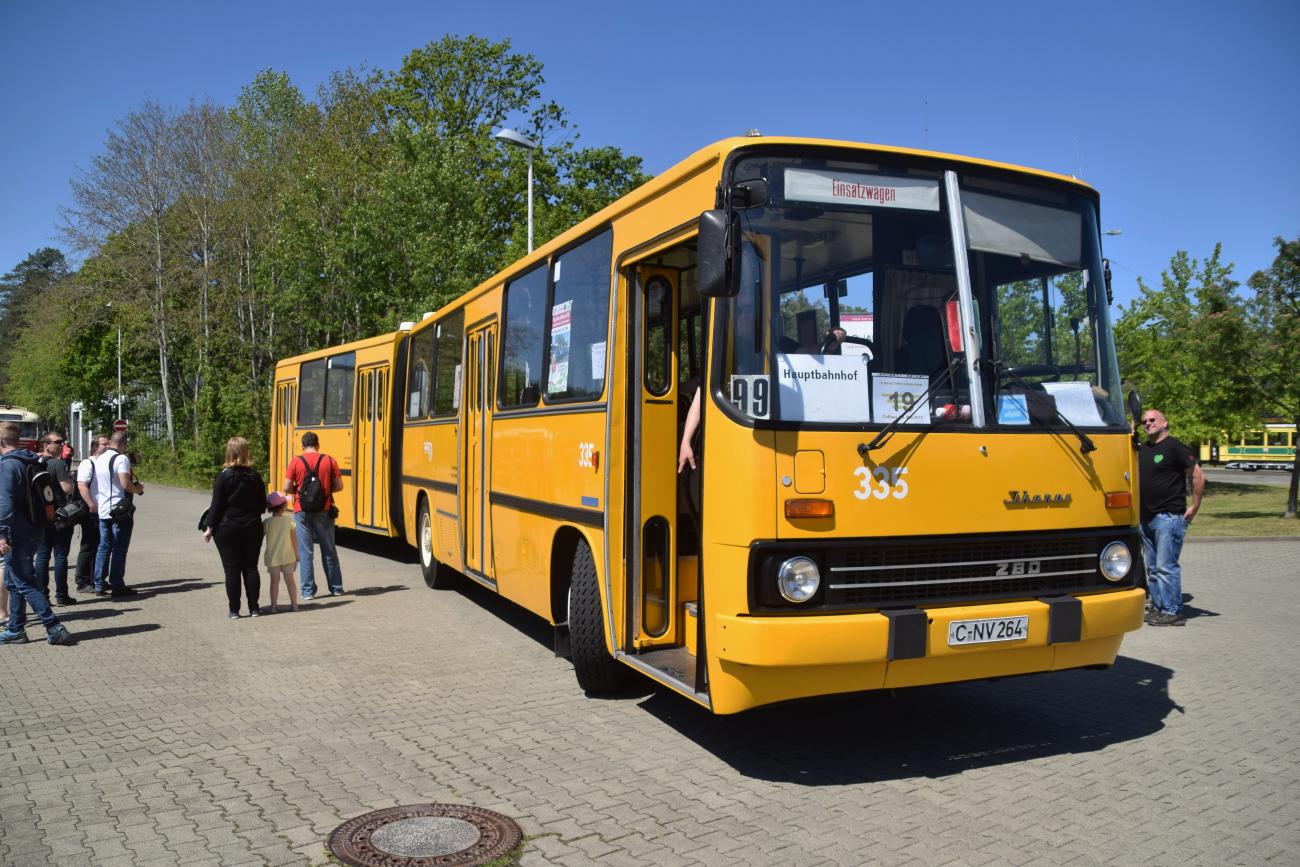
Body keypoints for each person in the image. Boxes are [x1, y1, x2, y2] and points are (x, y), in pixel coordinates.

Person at [0, 422, 73, 645]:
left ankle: (53, 626)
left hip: (16, 532)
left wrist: (1, 533)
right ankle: (15, 629)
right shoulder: (31, 460)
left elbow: (5, 502)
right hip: (36, 528)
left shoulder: (8, 465)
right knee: (13, 580)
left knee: (23, 581)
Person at [1138, 409, 1206, 626]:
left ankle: (1173, 611)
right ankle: (1158, 608)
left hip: (1168, 517)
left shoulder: (1174, 447)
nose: (1148, 423)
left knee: (1166, 567)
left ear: (1165, 423)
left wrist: (1195, 506)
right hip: (1146, 518)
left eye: (1152, 420)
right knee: (1153, 568)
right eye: (1145, 421)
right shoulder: (1144, 448)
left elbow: (1198, 476)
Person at [202, 437, 267, 618]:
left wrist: (209, 528)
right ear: (246, 452)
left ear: (229, 452)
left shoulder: (223, 477)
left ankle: (234, 610)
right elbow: (262, 505)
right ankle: (254, 608)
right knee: (251, 568)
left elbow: (216, 506)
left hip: (227, 529)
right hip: (252, 528)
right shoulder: (255, 476)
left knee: (232, 570)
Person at [283, 432, 345, 600]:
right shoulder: (329, 460)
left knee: (305, 552)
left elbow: (286, 487)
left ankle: (308, 592)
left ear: (302, 446)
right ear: (318, 444)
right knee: (329, 549)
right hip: (324, 509)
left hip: (301, 510)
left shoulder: (296, 461)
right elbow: (339, 486)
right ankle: (336, 587)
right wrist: (323, 490)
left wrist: (301, 492)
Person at [93, 431, 143, 597]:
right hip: (119, 509)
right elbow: (125, 483)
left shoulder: (100, 458)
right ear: (124, 444)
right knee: (119, 548)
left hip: (103, 509)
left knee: (104, 547)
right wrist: (137, 489)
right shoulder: (121, 459)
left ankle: (99, 583)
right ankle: (117, 585)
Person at [34, 431, 77, 605]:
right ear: (46, 445)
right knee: (60, 556)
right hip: (59, 516)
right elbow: (67, 489)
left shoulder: (34, 462)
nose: (61, 445)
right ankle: (61, 595)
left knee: (42, 556)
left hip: (40, 516)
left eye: (62, 442)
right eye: (57, 442)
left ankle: (42, 597)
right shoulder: (57, 464)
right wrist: (72, 481)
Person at [75, 434, 110, 592]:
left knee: (100, 545)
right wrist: (91, 505)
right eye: (104, 444)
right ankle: (82, 581)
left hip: (103, 509)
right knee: (89, 545)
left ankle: (96, 578)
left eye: (108, 444)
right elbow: (82, 486)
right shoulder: (88, 463)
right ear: (95, 447)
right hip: (92, 510)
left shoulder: (104, 462)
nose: (107, 447)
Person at [263, 491, 298, 613]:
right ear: (283, 507)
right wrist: (296, 554)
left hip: (273, 557)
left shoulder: (266, 523)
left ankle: (273, 606)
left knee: (274, 581)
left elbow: (260, 538)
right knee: (290, 580)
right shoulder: (290, 522)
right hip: (288, 556)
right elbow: (294, 541)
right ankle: (294, 605)